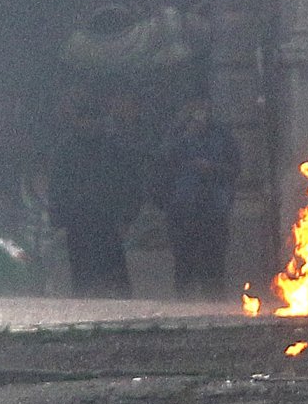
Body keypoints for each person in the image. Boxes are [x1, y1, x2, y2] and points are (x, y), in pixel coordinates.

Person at [48, 93, 142, 298]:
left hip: (107, 223)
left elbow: (129, 183)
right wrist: (58, 219)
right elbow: (57, 187)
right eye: (85, 119)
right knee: (84, 279)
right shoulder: (66, 150)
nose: (88, 124)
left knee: (113, 279)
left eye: (93, 119)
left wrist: (127, 217)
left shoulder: (113, 149)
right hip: (78, 223)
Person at [151, 97, 242, 299]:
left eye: (203, 107)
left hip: (214, 210)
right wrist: (184, 136)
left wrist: (213, 169)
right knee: (184, 265)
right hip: (183, 210)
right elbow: (162, 165)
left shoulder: (222, 135)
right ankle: (185, 309)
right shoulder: (176, 135)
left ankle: (215, 306)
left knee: (214, 265)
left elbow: (234, 168)